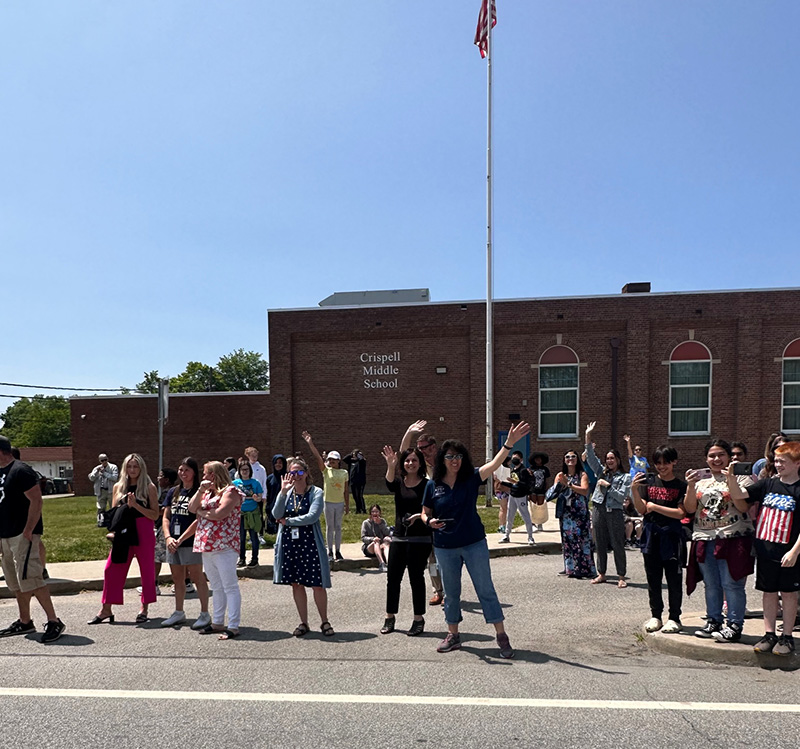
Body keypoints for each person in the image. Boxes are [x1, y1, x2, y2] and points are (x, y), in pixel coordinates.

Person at [421, 420, 531, 659]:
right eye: (450, 456)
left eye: (458, 456)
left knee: (485, 589)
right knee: (451, 593)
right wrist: (428, 522)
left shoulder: (471, 478)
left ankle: (501, 635)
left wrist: (509, 444)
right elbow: (425, 511)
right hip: (445, 546)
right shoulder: (433, 485)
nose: (454, 460)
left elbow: (493, 465)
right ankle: (453, 634)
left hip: (473, 543)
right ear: (443, 460)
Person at [727, 442, 800, 656]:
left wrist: (795, 551)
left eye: (783, 461)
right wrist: (731, 477)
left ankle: (787, 637)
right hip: (765, 549)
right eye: (776, 461)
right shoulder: (767, 484)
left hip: (789, 552)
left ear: (797, 463)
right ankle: (769, 634)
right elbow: (739, 495)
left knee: (788, 594)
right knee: (768, 593)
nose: (778, 465)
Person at [684, 440, 754, 643]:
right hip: (705, 537)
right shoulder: (700, 480)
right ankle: (714, 620)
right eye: (712, 456)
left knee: (732, 584)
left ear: (729, 456)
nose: (716, 459)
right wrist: (690, 485)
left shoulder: (743, 478)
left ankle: (734, 625)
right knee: (711, 584)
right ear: (706, 459)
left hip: (733, 537)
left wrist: (730, 478)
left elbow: (742, 507)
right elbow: (689, 509)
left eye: (721, 455)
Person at [0, 435, 65, 643]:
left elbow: (36, 500)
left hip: (23, 534)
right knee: (16, 582)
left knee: (33, 579)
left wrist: (29, 530)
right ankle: (25, 620)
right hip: (5, 535)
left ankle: (54, 621)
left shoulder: (21, 470)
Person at [90, 453, 160, 625]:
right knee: (111, 568)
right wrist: (113, 531)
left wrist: (136, 506)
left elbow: (155, 515)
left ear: (141, 468)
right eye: (129, 466)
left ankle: (144, 608)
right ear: (124, 468)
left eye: (136, 466)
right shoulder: (118, 487)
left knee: (147, 571)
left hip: (143, 529)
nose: (132, 470)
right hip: (123, 531)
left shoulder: (149, 487)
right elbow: (115, 513)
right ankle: (106, 609)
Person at [272, 457, 334, 637]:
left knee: (317, 585)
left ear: (306, 473)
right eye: (292, 472)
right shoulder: (286, 492)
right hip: (291, 545)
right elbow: (275, 514)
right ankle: (303, 622)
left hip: (310, 544)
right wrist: (282, 493)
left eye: (299, 472)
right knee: (296, 584)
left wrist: (288, 522)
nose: (296, 476)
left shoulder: (316, 492)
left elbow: (313, 516)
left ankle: (324, 621)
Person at [632, 445, 687, 634]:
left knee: (674, 579)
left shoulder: (680, 485)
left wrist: (655, 507)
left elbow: (681, 513)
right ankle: (656, 615)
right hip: (651, 535)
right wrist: (634, 491)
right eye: (658, 463)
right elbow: (642, 509)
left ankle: (674, 618)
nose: (662, 467)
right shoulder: (649, 482)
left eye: (666, 463)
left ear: (674, 462)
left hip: (671, 536)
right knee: (653, 578)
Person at [381, 445, 432, 636]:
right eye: (407, 460)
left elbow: (432, 509)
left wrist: (418, 516)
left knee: (416, 578)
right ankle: (389, 617)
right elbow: (388, 483)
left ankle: (418, 619)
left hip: (421, 539)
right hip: (399, 538)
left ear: (420, 464)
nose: (410, 463)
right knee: (392, 579)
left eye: (414, 460)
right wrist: (390, 464)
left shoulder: (427, 485)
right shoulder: (399, 483)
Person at [188, 461, 243, 640]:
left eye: (205, 474)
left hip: (225, 545)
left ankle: (233, 625)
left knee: (230, 586)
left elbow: (220, 513)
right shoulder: (207, 492)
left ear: (213, 474)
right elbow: (191, 508)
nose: (203, 477)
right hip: (207, 544)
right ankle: (218, 622)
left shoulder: (231, 491)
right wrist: (200, 491)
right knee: (217, 586)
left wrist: (202, 513)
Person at [160, 457, 211, 630]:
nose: (183, 473)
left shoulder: (200, 492)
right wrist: (168, 537)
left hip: (190, 541)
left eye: (186, 470)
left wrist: (181, 539)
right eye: (181, 470)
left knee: (197, 577)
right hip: (173, 542)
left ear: (194, 473)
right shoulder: (173, 491)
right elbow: (166, 516)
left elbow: (199, 519)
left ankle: (205, 613)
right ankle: (179, 612)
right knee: (177, 578)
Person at [400, 421, 445, 606]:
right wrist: (409, 432)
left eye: (424, 448)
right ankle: (438, 591)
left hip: (444, 515)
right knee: (432, 559)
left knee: (447, 557)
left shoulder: (445, 464)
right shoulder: (421, 468)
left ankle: (450, 590)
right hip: (427, 516)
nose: (421, 452)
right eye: (418, 448)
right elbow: (402, 455)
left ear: (433, 447)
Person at [584, 422, 631, 588]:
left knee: (617, 543)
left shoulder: (625, 477)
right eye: (607, 458)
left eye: (612, 458)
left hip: (614, 511)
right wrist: (588, 435)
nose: (609, 461)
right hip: (598, 508)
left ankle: (621, 576)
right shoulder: (600, 472)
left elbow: (621, 497)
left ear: (618, 460)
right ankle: (601, 573)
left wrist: (607, 486)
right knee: (600, 543)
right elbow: (590, 456)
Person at [302, 432, 349, 562]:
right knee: (330, 527)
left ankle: (338, 551)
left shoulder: (344, 472)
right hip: (328, 502)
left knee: (338, 527)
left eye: (334, 459)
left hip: (339, 503)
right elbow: (317, 457)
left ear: (339, 460)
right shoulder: (326, 471)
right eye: (329, 459)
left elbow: (346, 490)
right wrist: (310, 443)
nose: (331, 461)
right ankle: (329, 551)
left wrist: (347, 505)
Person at [548, 450, 595, 579]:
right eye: (567, 457)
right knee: (568, 540)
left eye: (573, 456)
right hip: (566, 512)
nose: (570, 459)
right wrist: (559, 484)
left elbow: (585, 491)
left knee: (581, 540)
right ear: (564, 460)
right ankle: (570, 568)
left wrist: (569, 485)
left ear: (577, 459)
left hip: (579, 512)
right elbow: (554, 493)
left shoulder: (582, 474)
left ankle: (583, 568)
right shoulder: (560, 475)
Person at [498, 451, 535, 546]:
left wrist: (515, 482)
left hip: (521, 496)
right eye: (513, 458)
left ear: (521, 460)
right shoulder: (513, 470)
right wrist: (501, 482)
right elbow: (511, 484)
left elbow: (525, 484)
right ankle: (506, 535)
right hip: (512, 495)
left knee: (525, 516)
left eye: (517, 458)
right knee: (510, 516)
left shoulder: (523, 471)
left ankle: (530, 537)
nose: (514, 460)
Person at [234, 458, 263, 568]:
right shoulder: (235, 483)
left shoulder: (255, 483)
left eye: (246, 469)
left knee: (253, 536)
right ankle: (242, 559)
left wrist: (257, 498)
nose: (244, 471)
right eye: (242, 470)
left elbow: (260, 497)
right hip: (240, 513)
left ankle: (254, 559)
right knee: (241, 537)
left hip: (253, 513)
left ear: (250, 471)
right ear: (239, 471)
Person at [89, 453, 119, 527]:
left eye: (105, 460)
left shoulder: (113, 467)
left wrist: (104, 473)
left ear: (107, 459)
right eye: (102, 460)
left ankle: (113, 521)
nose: (104, 462)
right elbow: (91, 478)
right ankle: (101, 522)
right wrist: (96, 472)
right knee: (100, 507)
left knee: (113, 506)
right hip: (101, 491)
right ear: (100, 461)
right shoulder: (97, 468)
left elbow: (115, 478)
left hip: (111, 490)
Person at [361, 504, 392, 571]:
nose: (375, 513)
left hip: (380, 546)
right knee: (376, 541)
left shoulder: (382, 521)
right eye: (373, 512)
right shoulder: (366, 523)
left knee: (386, 544)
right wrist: (372, 539)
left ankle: (389, 563)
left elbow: (387, 533)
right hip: (369, 547)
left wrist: (380, 524)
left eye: (376, 511)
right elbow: (363, 538)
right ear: (370, 513)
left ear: (379, 512)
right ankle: (382, 563)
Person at [264, 454, 287, 539]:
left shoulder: (287, 476)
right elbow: (269, 493)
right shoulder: (270, 478)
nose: (278, 464)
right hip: (273, 504)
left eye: (280, 462)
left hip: (285, 504)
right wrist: (268, 506)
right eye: (276, 462)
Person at [528, 452, 550, 532]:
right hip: (533, 489)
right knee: (533, 506)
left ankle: (540, 523)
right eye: (536, 458)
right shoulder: (531, 469)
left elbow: (547, 480)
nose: (537, 460)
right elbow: (528, 480)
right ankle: (533, 523)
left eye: (539, 458)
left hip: (542, 490)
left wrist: (547, 490)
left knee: (540, 506)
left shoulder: (545, 469)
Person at [344, 449, 368, 514]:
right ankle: (358, 509)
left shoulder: (361, 461)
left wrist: (359, 456)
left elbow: (362, 460)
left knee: (359, 495)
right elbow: (344, 459)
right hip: (352, 481)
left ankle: (363, 509)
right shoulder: (351, 461)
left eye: (355, 454)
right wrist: (351, 454)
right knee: (355, 496)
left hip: (360, 481)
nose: (354, 456)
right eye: (353, 455)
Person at [493, 456, 511, 534]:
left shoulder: (496, 468)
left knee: (502, 508)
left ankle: (502, 525)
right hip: (504, 490)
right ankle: (502, 526)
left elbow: (495, 478)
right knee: (504, 509)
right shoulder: (506, 469)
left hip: (498, 490)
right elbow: (508, 479)